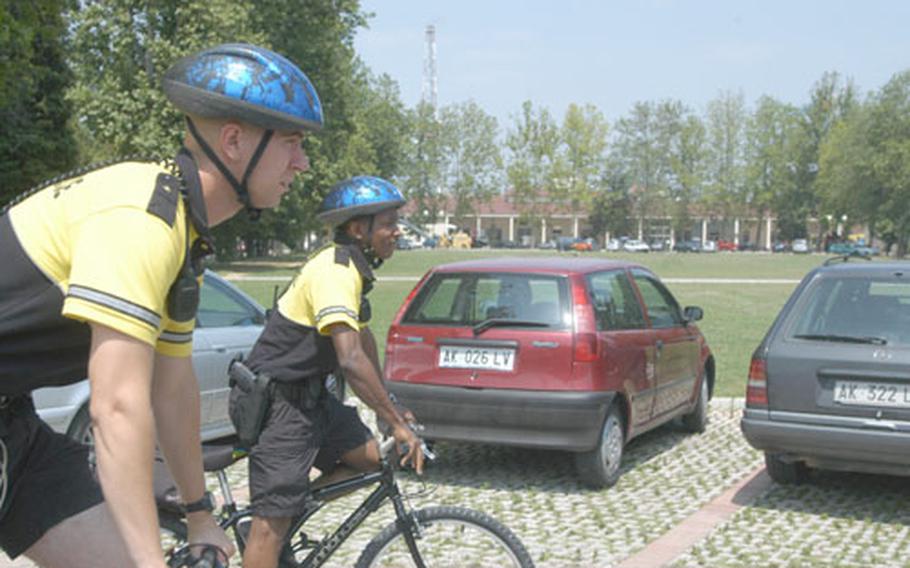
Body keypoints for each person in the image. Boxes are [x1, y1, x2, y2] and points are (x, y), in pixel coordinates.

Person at [0, 43, 323, 567]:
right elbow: (117, 407)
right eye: (291, 142)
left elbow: (172, 390)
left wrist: (199, 512)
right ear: (235, 141)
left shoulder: (179, 227)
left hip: (15, 429)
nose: (302, 163)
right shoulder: (141, 220)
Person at [236, 175, 424, 568]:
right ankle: (268, 529)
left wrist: (389, 406)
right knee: (268, 528)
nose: (397, 232)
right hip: (281, 407)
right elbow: (350, 358)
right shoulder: (335, 270)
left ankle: (285, 518)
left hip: (313, 400)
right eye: (388, 223)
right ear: (359, 229)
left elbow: (364, 339)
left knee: (373, 459)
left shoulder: (354, 270)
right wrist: (395, 421)